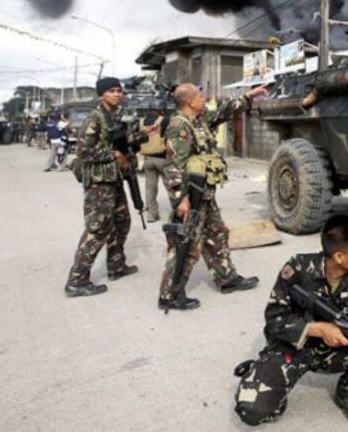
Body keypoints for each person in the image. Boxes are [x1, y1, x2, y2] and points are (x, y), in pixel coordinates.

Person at [234, 215, 348, 428]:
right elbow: (274, 320)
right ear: (339, 256)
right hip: (297, 347)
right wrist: (318, 329)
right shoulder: (297, 268)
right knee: (252, 409)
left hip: (343, 347)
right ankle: (265, 370)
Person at [158, 83, 265, 310]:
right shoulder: (179, 126)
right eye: (200, 95)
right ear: (190, 101)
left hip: (205, 193)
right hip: (191, 196)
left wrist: (248, 96)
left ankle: (226, 278)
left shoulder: (200, 120)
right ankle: (169, 295)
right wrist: (180, 199)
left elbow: (224, 112)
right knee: (186, 243)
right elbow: (174, 166)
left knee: (217, 234)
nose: (204, 98)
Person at [64, 78, 142, 297]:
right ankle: (77, 280)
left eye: (119, 90)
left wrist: (145, 135)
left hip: (114, 180)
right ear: (101, 95)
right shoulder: (94, 119)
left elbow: (122, 141)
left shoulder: (115, 117)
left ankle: (116, 265)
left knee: (122, 222)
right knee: (97, 229)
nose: (117, 94)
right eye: (111, 91)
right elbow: (83, 152)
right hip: (99, 184)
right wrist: (114, 154)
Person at [139, 99, 169, 223]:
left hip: (147, 159)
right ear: (161, 109)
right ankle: (178, 213)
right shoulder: (164, 120)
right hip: (163, 159)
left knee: (150, 188)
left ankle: (151, 215)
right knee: (172, 187)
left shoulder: (141, 121)